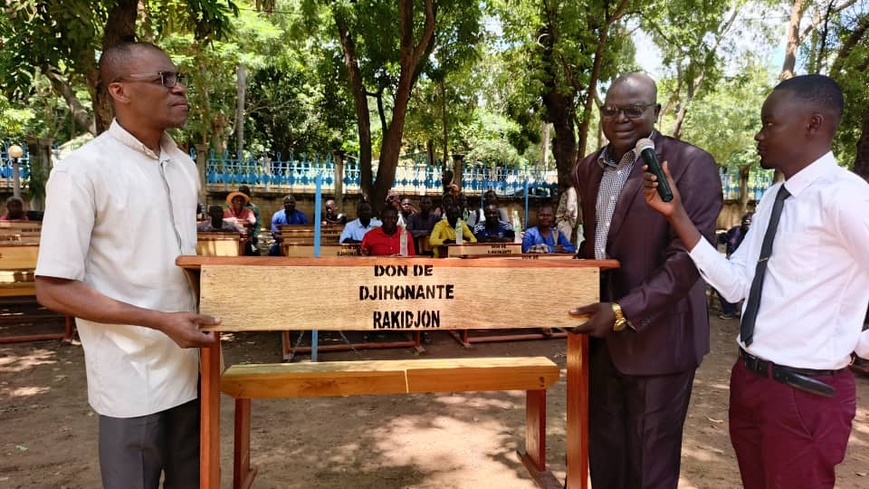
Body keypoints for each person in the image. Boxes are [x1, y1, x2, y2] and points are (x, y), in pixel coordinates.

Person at [642, 74, 869, 489]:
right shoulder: (775, 197)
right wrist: (676, 215)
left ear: (812, 124)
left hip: (805, 392)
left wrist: (856, 339)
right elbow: (736, 284)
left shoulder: (846, 196)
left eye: (769, 124)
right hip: (751, 380)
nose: (759, 135)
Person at [33, 42, 218, 489]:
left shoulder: (183, 166)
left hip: (190, 367)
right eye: (162, 80)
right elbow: (53, 287)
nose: (178, 90)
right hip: (131, 377)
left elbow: (178, 264)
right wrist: (159, 321)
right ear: (119, 91)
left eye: (178, 78)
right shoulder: (83, 171)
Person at [568, 72, 723, 489]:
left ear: (655, 112)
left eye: (634, 110)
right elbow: (595, 246)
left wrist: (622, 312)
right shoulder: (587, 168)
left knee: (649, 465)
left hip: (660, 341)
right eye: (611, 110)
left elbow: (687, 260)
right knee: (606, 456)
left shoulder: (691, 165)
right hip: (600, 344)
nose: (620, 118)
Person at [716, 211, 753, 319]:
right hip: (731, 265)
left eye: (749, 223)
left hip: (750, 269)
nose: (747, 224)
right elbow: (722, 239)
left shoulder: (756, 236)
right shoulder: (735, 231)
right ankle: (730, 310)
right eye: (745, 222)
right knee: (718, 281)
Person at [555, 173, 581, 247]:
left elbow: (570, 207)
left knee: (564, 241)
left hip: (565, 220)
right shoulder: (569, 190)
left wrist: (565, 218)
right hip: (563, 219)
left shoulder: (571, 191)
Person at [238, 185, 261, 255]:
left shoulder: (254, 208)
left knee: (255, 253)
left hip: (250, 236)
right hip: (237, 236)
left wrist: (255, 236)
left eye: (245, 193)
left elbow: (258, 224)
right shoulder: (232, 207)